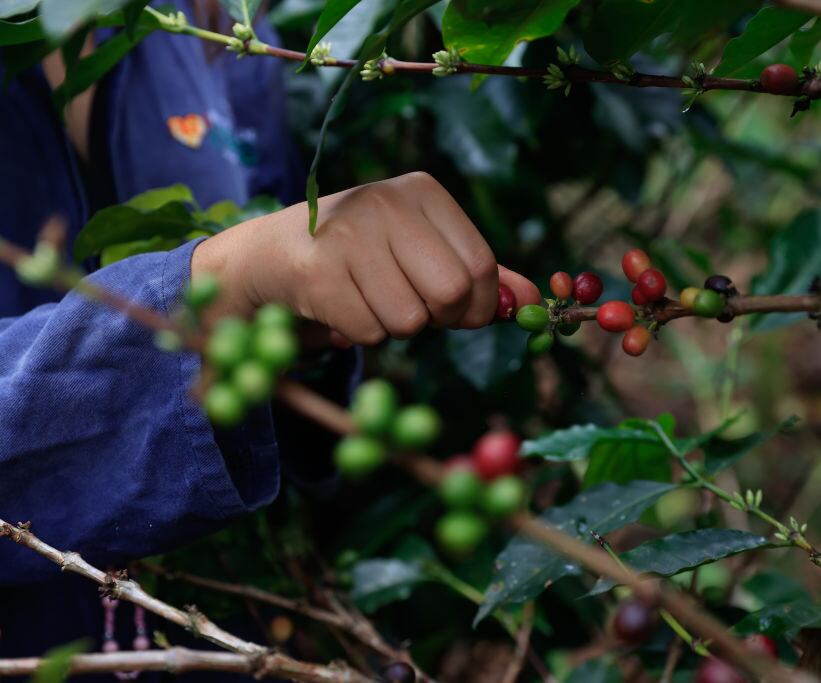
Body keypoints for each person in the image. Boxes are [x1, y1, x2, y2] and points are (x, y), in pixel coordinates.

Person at [0, 0, 540, 668]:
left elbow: (275, 336)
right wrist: (222, 282)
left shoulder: (218, 28)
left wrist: (305, 318)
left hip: (223, 635)